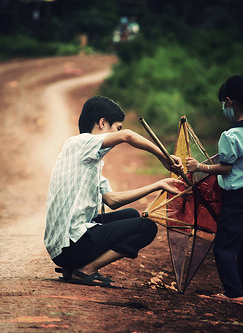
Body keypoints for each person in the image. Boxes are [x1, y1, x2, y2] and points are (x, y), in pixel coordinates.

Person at [45, 96, 185, 287]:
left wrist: (157, 185)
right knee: (147, 227)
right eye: (117, 127)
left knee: (131, 215)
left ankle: (73, 268)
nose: (118, 132)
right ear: (103, 123)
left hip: (66, 248)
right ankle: (86, 269)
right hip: (69, 246)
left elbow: (112, 200)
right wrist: (164, 157)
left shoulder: (89, 161)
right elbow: (128, 136)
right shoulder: (79, 143)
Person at [186, 76, 243, 306]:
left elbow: (226, 167)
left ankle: (233, 293)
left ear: (228, 101)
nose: (224, 108)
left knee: (224, 247)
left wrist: (199, 167)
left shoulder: (230, 136)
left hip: (237, 198)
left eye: (224, 104)